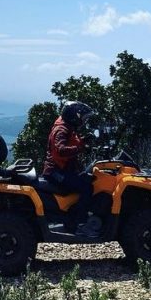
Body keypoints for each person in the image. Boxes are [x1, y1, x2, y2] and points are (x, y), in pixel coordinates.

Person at [41, 101, 99, 236]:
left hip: (61, 170)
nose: (83, 121)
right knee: (87, 187)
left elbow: (72, 142)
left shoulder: (67, 126)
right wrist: (80, 148)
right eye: (82, 117)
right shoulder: (61, 130)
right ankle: (80, 224)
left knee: (88, 179)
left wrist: (84, 140)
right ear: (74, 116)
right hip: (55, 172)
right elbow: (60, 150)